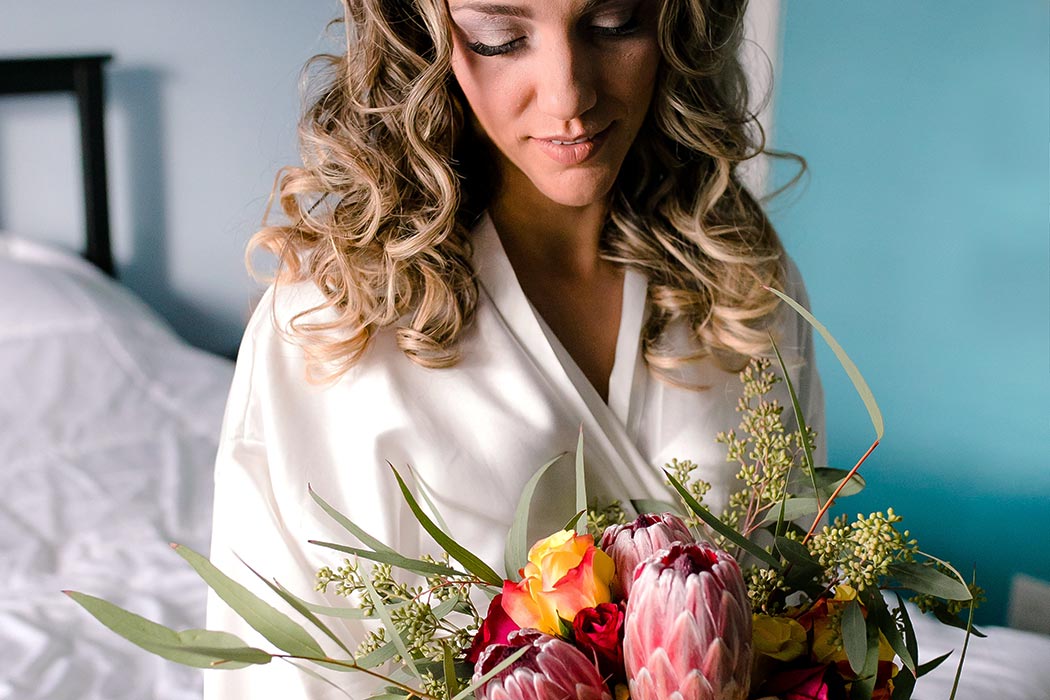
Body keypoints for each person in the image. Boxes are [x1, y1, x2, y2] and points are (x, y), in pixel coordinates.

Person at [204, 0, 824, 697]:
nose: (570, 96)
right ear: (424, 34)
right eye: (499, 38)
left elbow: (795, 619)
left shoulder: (747, 283)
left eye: (615, 23)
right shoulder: (331, 320)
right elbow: (291, 676)